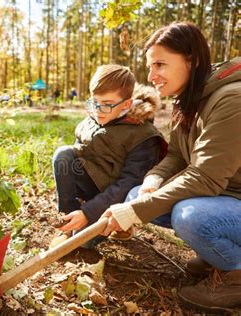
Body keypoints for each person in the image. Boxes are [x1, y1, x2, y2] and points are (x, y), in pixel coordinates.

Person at [99, 22, 241, 311]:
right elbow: (176, 155)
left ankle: (236, 272)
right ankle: (220, 254)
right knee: (137, 193)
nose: (152, 76)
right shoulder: (189, 99)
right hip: (227, 196)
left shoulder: (232, 99)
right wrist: (153, 181)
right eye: (150, 66)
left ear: (193, 59)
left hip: (225, 194)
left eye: (160, 64)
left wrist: (138, 211)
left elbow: (205, 176)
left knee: (191, 217)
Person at [53, 64, 166, 248]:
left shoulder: (144, 137)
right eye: (94, 102)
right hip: (95, 186)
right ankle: (69, 222)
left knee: (84, 244)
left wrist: (89, 213)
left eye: (106, 105)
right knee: (63, 156)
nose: (97, 110)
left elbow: (128, 185)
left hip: (118, 200)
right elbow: (78, 155)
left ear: (127, 104)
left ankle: (121, 225)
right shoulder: (93, 118)